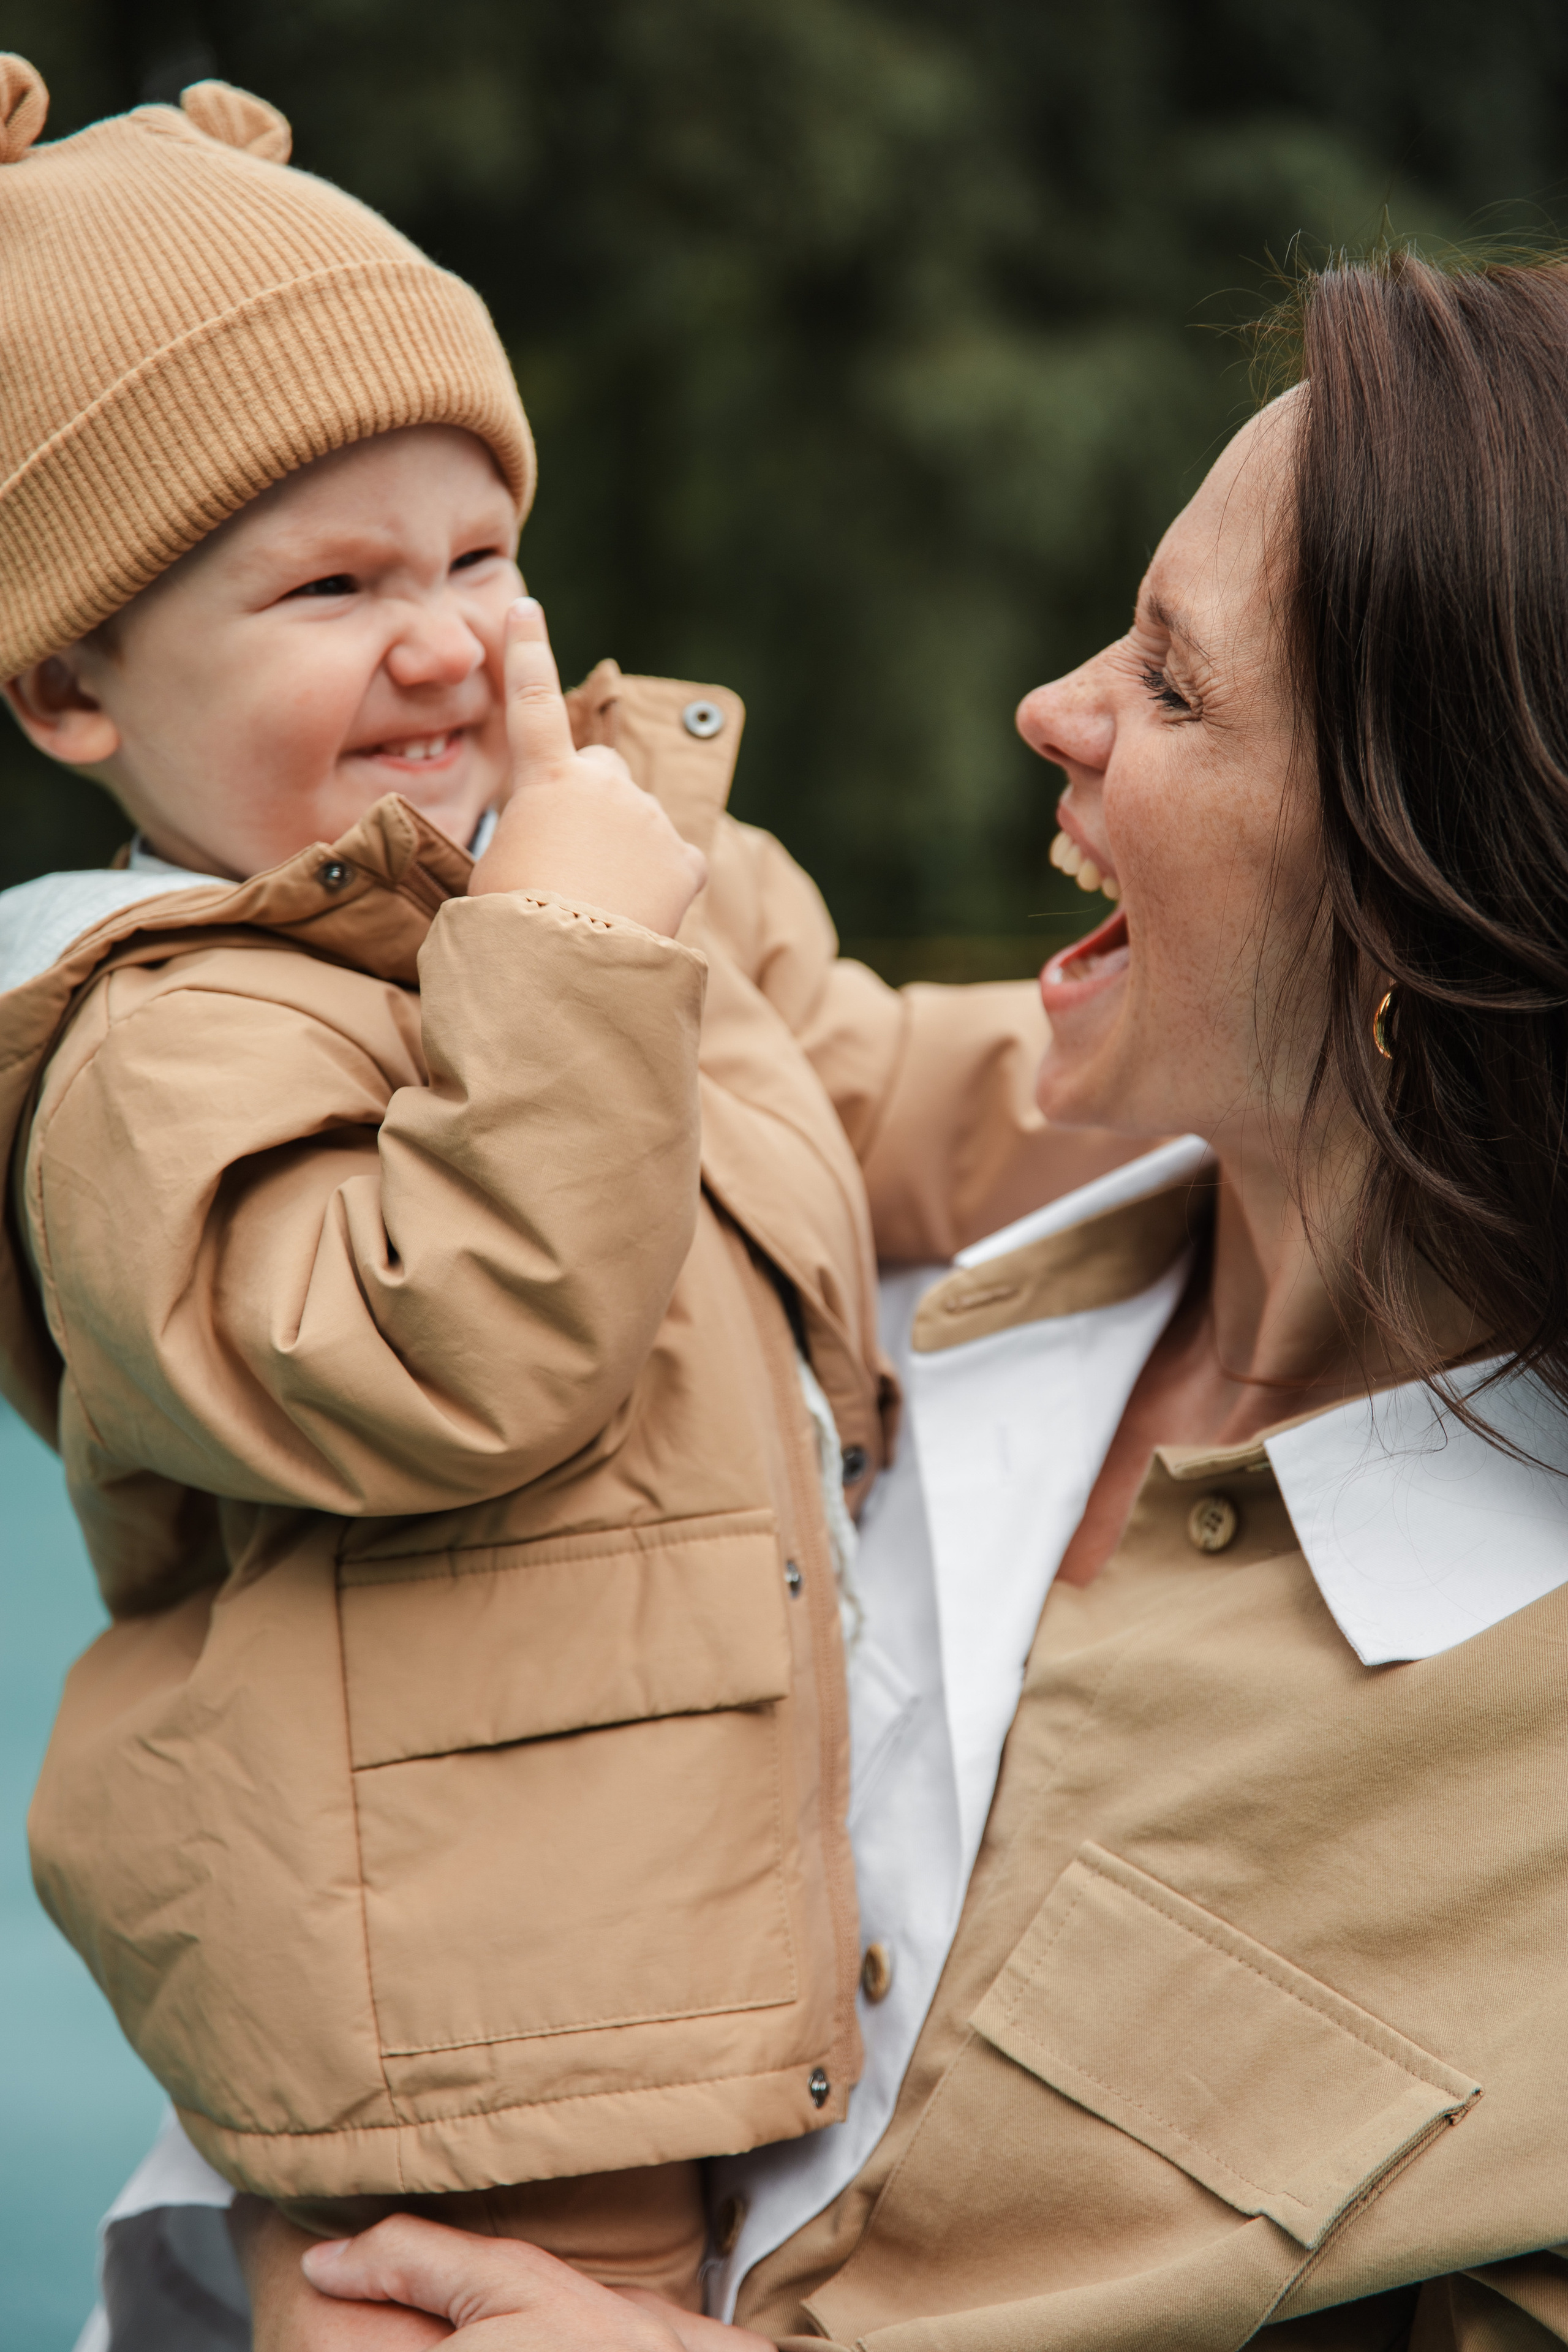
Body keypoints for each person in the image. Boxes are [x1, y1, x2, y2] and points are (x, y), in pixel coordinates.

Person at [243, 246, 1568, 2348]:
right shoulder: (775, 1283)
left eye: (1171, 676)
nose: (1052, 708)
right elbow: (376, 1875)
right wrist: (304, 2265)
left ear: (1422, 889)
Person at [0, 56, 1134, 2351]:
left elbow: (887, 1096)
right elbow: (431, 1357)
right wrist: (587, 944)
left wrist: (1235, 1074)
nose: (443, 642)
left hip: (721, 1941)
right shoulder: (154, 1045)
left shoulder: (595, 864)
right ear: (73, 687)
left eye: (478, 557)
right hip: (493, 2061)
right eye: (328, 587)